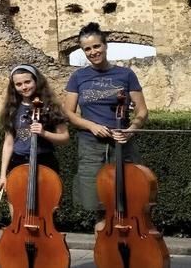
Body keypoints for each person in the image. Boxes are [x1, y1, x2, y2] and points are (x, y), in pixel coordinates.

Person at [61, 22, 148, 215]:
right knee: (97, 206)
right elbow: (69, 112)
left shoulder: (125, 74)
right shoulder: (78, 77)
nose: (93, 52)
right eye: (87, 49)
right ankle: (103, 244)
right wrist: (91, 126)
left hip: (122, 145)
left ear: (105, 45)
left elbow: (141, 111)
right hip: (91, 146)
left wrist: (131, 130)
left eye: (96, 46)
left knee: (131, 201)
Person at [0, 64, 69, 190]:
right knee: (16, 206)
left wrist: (44, 133)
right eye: (18, 84)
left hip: (45, 162)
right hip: (18, 163)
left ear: (36, 81)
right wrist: (3, 175)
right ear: (13, 87)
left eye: (27, 82)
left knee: (47, 205)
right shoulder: (12, 110)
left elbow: (65, 137)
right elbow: (8, 144)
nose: (24, 87)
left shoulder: (51, 107)